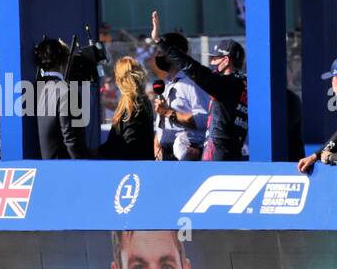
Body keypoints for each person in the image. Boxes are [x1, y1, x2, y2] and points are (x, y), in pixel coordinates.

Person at [150, 11, 245, 161]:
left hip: (219, 153)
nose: (211, 63)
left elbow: (194, 69)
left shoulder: (227, 84)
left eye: (214, 59)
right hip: (229, 150)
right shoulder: (241, 83)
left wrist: (162, 42)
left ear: (226, 61)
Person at [151, 30, 206, 160]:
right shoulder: (167, 82)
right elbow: (162, 123)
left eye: (161, 52)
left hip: (187, 155)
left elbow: (204, 119)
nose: (157, 56)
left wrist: (169, 112)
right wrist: (157, 143)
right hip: (165, 156)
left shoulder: (193, 83)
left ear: (174, 53)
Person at [34, 37, 89, 159]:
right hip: (64, 170)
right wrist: (84, 168)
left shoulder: (32, 90)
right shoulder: (67, 92)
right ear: (64, 61)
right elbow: (72, 140)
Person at [100, 56, 154, 160]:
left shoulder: (135, 106)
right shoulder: (140, 102)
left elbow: (130, 146)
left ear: (120, 80)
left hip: (130, 169)